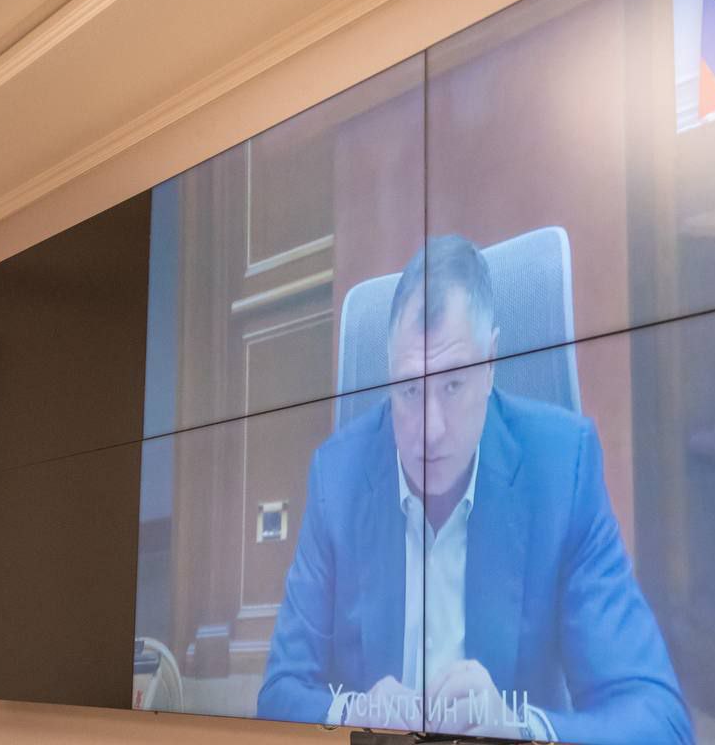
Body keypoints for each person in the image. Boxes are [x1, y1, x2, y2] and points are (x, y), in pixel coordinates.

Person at [258, 235, 692, 744]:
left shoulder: (561, 470)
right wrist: (355, 712)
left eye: (453, 384)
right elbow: (279, 695)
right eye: (409, 389)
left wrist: (518, 730)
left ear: (489, 364)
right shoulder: (337, 476)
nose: (430, 429)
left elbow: (660, 723)